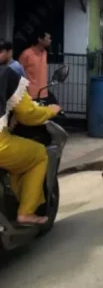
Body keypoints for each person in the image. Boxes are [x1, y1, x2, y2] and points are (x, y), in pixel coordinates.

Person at [0, 66, 62, 225]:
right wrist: (50, 110)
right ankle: (26, 213)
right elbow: (28, 114)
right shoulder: (7, 75)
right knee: (40, 155)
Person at [19, 30, 51, 99]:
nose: (50, 40)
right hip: (30, 94)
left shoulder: (44, 53)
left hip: (43, 93)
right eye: (48, 38)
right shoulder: (26, 54)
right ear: (40, 39)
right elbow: (19, 73)